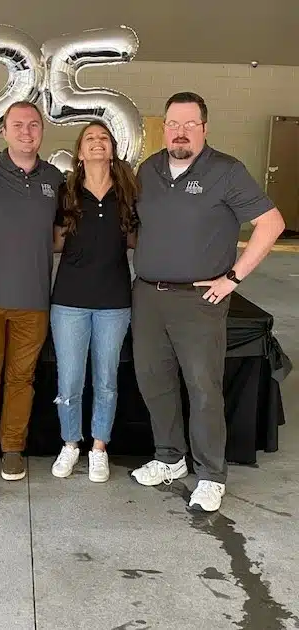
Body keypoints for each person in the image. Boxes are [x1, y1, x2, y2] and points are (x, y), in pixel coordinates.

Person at [130, 92, 285, 511]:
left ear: (204, 128)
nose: (180, 132)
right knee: (154, 382)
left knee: (203, 389)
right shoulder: (149, 169)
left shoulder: (226, 171)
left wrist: (233, 278)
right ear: (163, 128)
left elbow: (272, 223)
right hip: (148, 296)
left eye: (189, 124)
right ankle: (170, 457)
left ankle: (212, 475)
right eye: (173, 124)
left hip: (198, 302)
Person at [0, 102, 64, 481]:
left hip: (33, 301)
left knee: (22, 380)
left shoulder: (54, 178)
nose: (26, 132)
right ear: (3, 132)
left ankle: (13, 448)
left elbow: (60, 233)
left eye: (33, 125)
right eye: (17, 125)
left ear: (42, 131)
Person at [50, 122, 138, 482]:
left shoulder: (128, 192)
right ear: (80, 152)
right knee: (70, 381)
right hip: (69, 301)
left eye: (104, 138)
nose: (98, 142)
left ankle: (99, 448)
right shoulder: (66, 192)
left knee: (106, 381)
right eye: (90, 138)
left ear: (112, 149)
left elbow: (136, 239)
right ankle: (70, 443)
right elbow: (56, 242)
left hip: (114, 301)